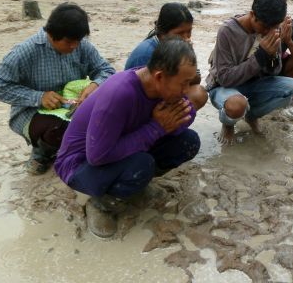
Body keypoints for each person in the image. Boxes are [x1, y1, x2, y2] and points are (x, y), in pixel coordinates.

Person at [54, 38, 201, 239]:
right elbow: (98, 156)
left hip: (119, 149)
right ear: (159, 77)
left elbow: (187, 114)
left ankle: (135, 185)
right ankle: (102, 203)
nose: (186, 91)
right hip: (79, 165)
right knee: (142, 164)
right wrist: (156, 127)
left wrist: (166, 123)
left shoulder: (164, 86)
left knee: (188, 142)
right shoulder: (120, 93)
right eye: (184, 84)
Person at [0, 3, 115, 175]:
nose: (74, 47)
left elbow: (107, 70)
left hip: (72, 105)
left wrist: (95, 85)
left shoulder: (80, 45)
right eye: (69, 42)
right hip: (32, 111)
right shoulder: (25, 51)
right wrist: (38, 97)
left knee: (106, 114)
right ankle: (41, 153)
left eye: (78, 41)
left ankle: (76, 152)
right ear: (51, 35)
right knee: (61, 131)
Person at [206, 0, 293, 144]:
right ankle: (228, 124)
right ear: (252, 14)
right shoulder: (227, 31)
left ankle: (252, 116)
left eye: (273, 27)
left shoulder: (275, 30)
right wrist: (260, 56)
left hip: (254, 85)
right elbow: (224, 78)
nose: (268, 31)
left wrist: (271, 56)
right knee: (237, 104)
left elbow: (275, 71)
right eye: (265, 26)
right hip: (224, 87)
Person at [124, 2, 208, 110]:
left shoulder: (178, 48)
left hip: (162, 95)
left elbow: (195, 80)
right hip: (142, 107)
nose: (187, 38)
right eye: (180, 33)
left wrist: (188, 54)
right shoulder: (146, 53)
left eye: (189, 32)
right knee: (195, 95)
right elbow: (146, 93)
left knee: (198, 93)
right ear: (162, 32)